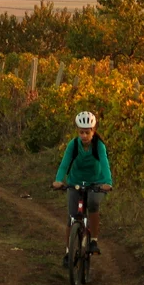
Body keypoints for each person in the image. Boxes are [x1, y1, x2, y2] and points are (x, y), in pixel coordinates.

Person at [52, 111, 113, 268]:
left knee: (93, 203)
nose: (84, 135)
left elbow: (105, 165)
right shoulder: (73, 145)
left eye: (87, 132)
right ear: (77, 131)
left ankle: (93, 241)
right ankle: (68, 252)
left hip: (96, 182)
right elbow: (65, 164)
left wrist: (107, 182)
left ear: (93, 130)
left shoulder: (98, 145)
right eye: (81, 132)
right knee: (72, 217)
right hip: (75, 181)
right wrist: (59, 180)